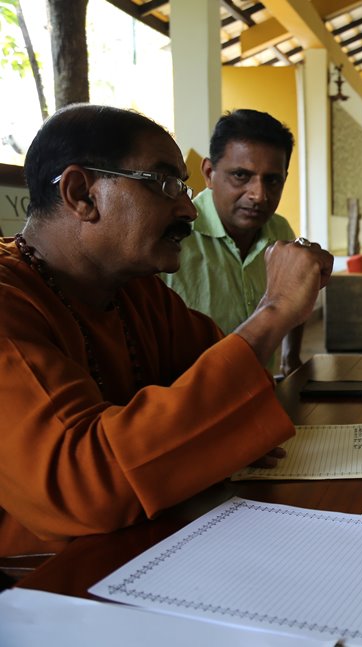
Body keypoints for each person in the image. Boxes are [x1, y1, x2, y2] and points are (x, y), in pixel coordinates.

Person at [0, 104, 332, 559]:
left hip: (152, 545)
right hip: (40, 582)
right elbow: (85, 486)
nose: (188, 210)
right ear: (82, 193)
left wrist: (220, 433)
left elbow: (227, 394)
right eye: (165, 185)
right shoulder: (10, 302)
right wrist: (273, 311)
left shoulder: (137, 292)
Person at [163, 109, 303, 377]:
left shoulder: (280, 230)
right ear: (208, 172)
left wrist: (290, 359)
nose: (259, 195)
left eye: (272, 180)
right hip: (186, 406)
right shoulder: (172, 235)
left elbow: (300, 291)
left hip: (261, 396)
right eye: (241, 176)